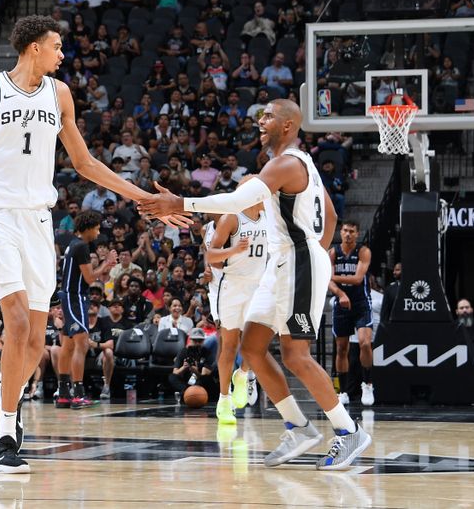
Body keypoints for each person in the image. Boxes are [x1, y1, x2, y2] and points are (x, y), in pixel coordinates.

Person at [0, 15, 188, 474]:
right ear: (32, 48)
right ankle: (5, 432)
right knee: (20, 323)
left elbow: (84, 163)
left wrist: (145, 198)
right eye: (57, 46)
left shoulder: (59, 93)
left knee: (34, 337)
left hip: (40, 222)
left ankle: (9, 404)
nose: (63, 54)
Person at [138, 98, 372, 470]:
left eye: (267, 116)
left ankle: (348, 432)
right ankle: (299, 427)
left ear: (288, 126)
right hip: (283, 262)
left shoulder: (287, 163)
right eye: (259, 114)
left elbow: (238, 199)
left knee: (296, 354)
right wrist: (315, 249)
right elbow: (330, 213)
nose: (259, 120)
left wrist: (178, 202)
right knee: (253, 347)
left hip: (296, 261)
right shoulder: (299, 164)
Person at [206, 188, 266, 424]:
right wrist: (234, 250)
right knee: (229, 345)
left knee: (254, 344)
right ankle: (224, 400)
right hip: (232, 287)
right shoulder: (231, 217)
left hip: (259, 286)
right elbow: (211, 256)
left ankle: (243, 375)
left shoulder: (269, 215)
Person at [56, 211, 116, 409]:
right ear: (89, 228)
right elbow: (90, 278)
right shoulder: (81, 246)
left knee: (67, 346)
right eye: (97, 228)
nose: (98, 232)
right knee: (81, 344)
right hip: (75, 297)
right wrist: (106, 264)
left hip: (68, 296)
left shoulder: (73, 244)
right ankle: (78, 394)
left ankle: (64, 393)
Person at [328, 220, 374, 407]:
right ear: (340, 232)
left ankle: (368, 384)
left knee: (364, 343)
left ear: (357, 234)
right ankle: (344, 392)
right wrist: (340, 293)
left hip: (361, 303)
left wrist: (331, 276)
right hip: (342, 303)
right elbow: (329, 284)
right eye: (345, 230)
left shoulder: (363, 251)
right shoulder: (333, 252)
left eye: (351, 231)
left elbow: (357, 278)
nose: (347, 234)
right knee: (341, 349)